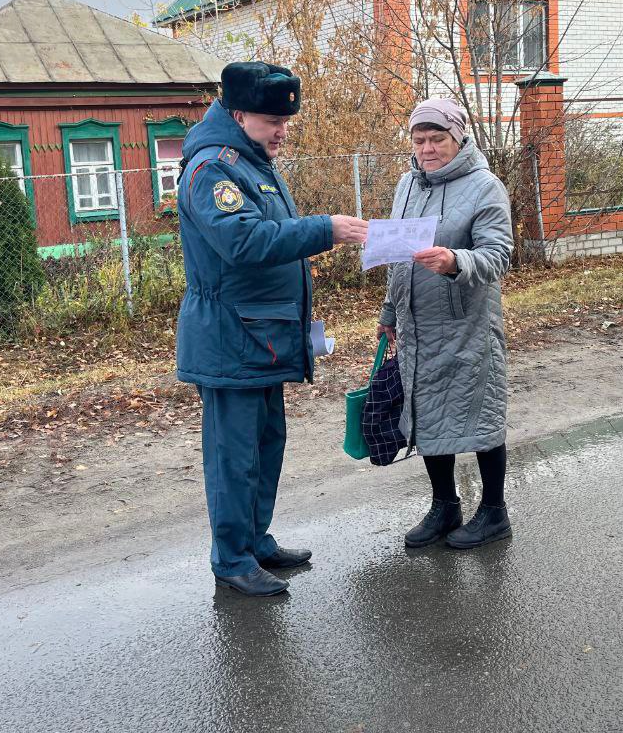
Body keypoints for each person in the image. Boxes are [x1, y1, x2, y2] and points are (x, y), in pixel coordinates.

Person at [176, 61, 368, 596]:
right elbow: (243, 242)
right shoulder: (212, 168)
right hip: (229, 338)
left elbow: (274, 236)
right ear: (238, 114)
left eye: (286, 120)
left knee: (266, 444)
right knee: (234, 455)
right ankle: (232, 557)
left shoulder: (253, 160)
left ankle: (255, 539)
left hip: (263, 333)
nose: (282, 130)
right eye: (270, 120)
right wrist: (324, 229)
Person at [376, 97, 514, 549]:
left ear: (459, 138)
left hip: (467, 326)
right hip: (418, 326)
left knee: (480, 416)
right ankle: (445, 506)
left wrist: (456, 260)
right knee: (428, 416)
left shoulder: (485, 186)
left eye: (438, 139)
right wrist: (390, 312)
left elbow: (498, 255)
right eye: (420, 140)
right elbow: (396, 256)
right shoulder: (407, 185)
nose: (428, 148)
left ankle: (494, 511)